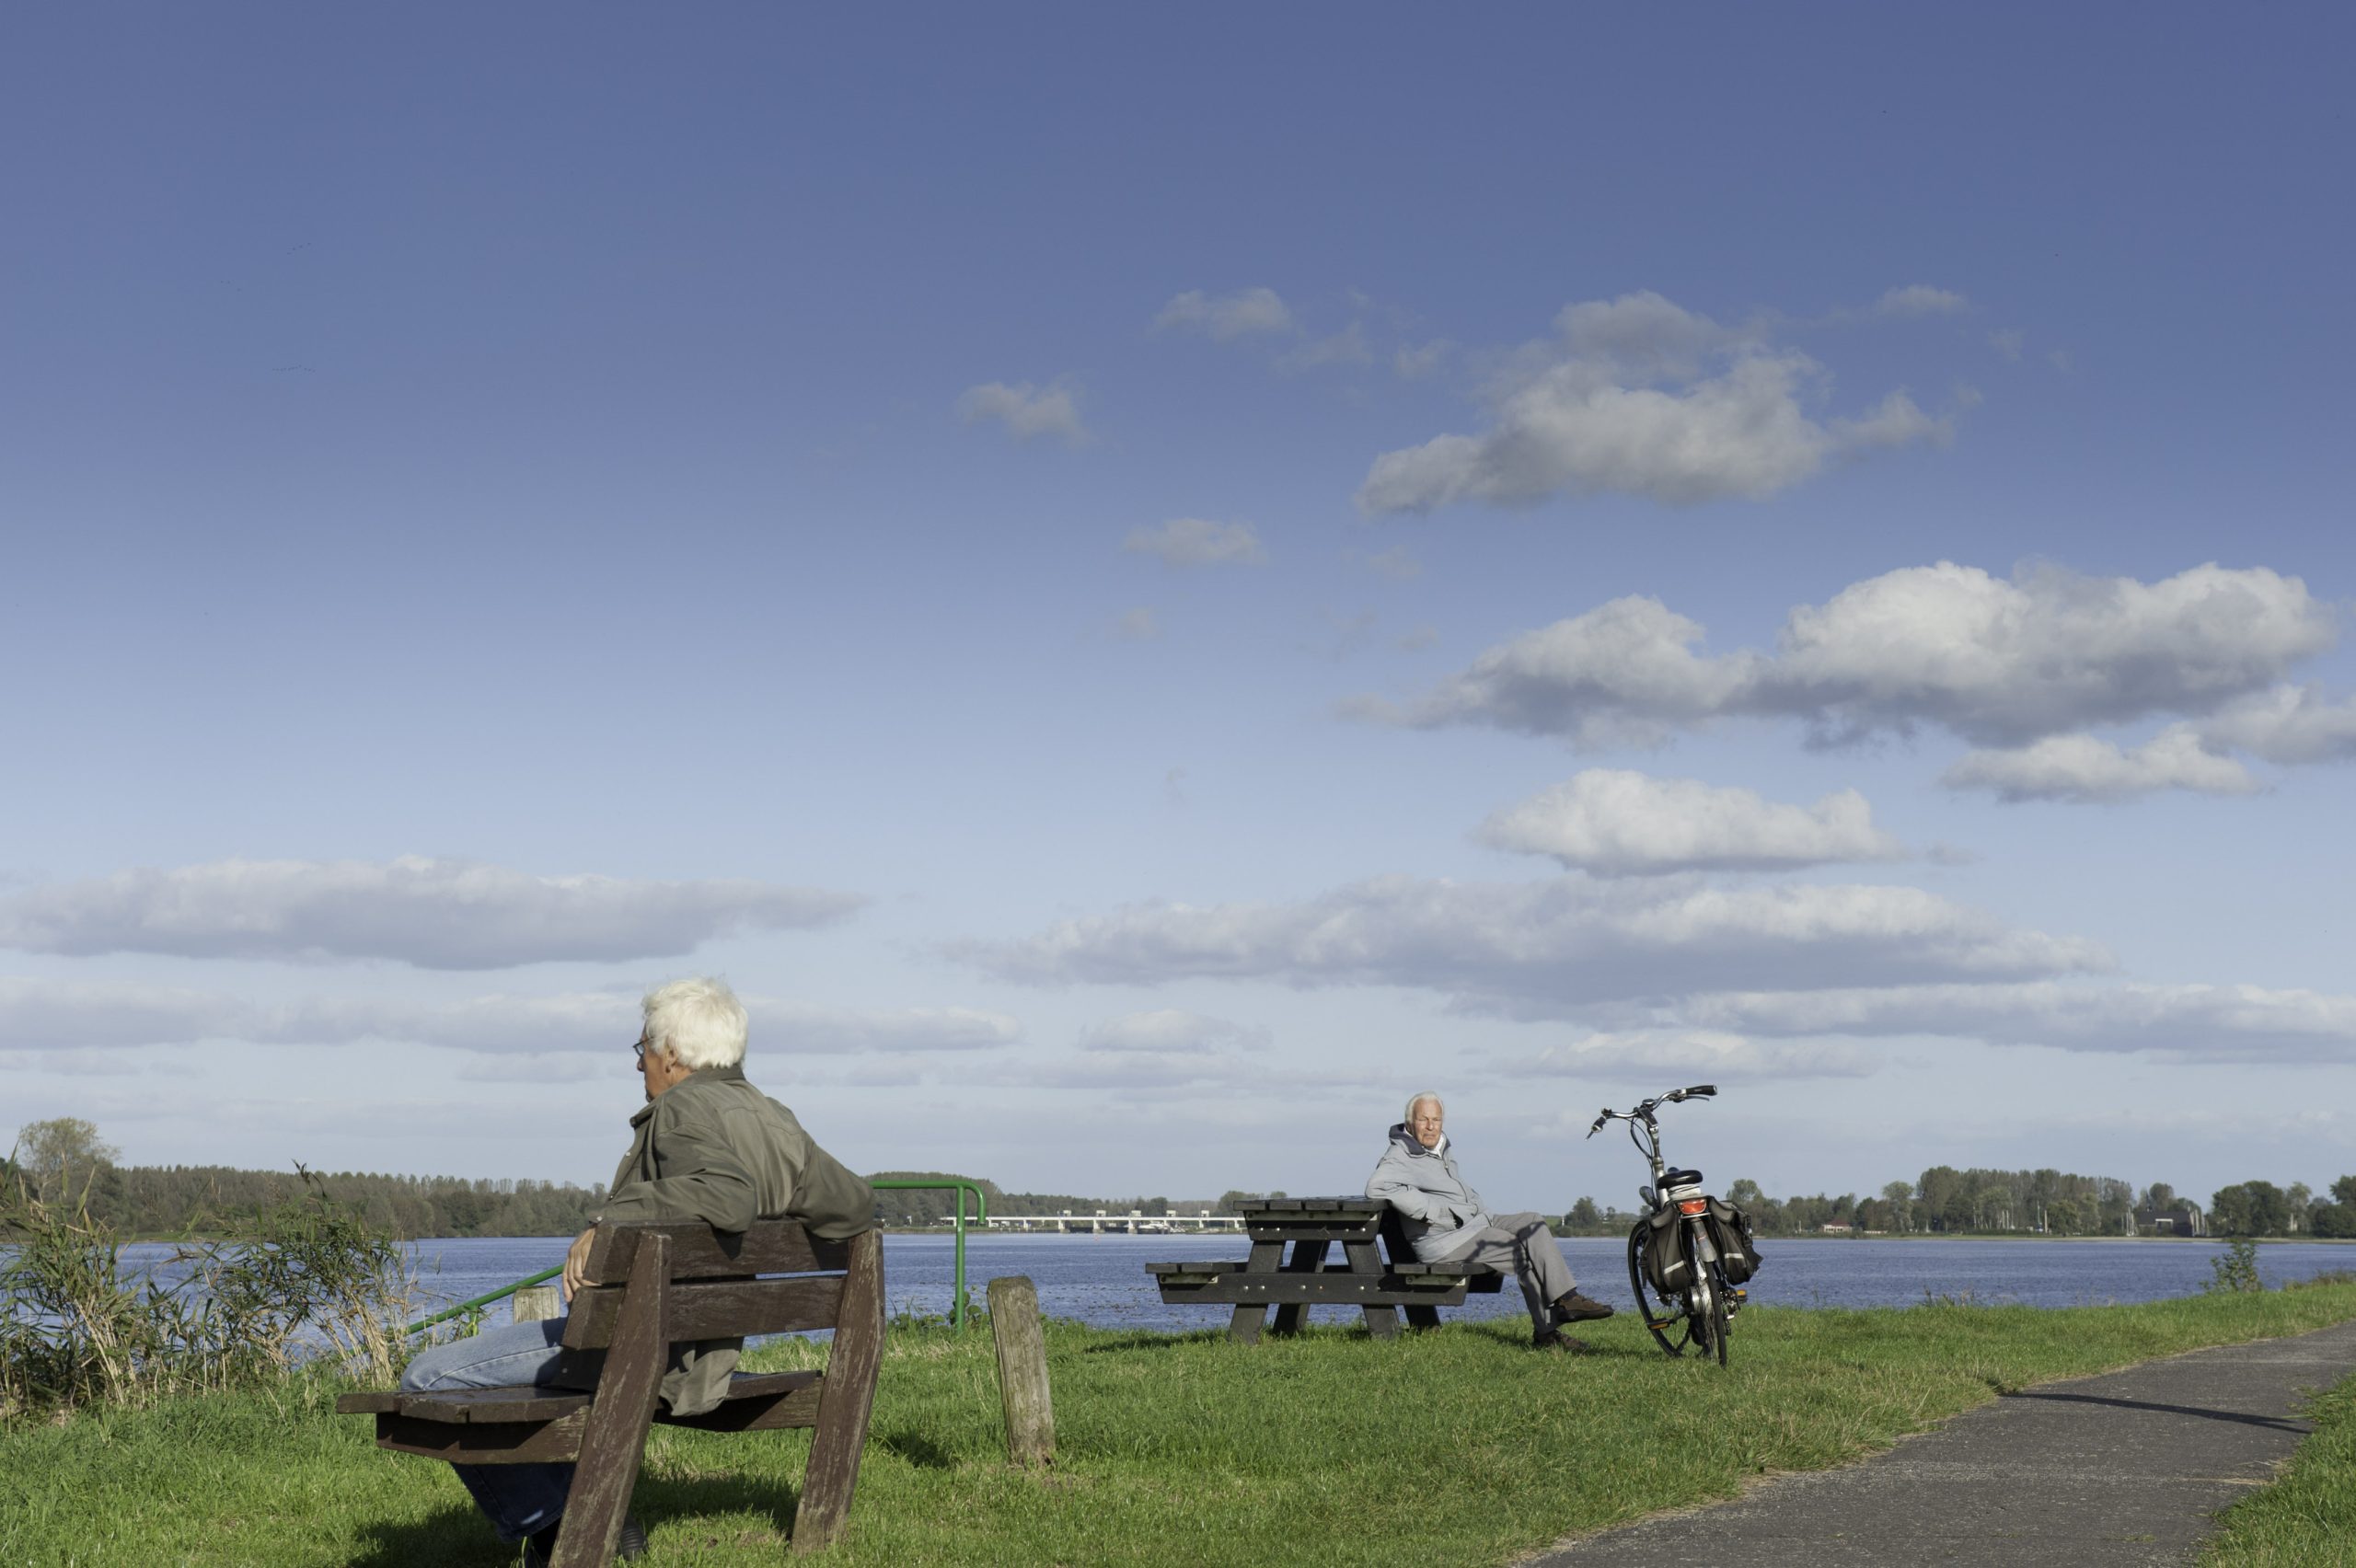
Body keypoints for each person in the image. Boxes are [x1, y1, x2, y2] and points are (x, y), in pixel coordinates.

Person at [398, 977, 875, 1567]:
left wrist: (608, 1218)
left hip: (648, 1354)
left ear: (672, 1053)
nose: (640, 1064)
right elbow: (855, 1206)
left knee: (426, 1379)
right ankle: (582, 1512)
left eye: (641, 1050)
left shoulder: (680, 1110)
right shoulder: (772, 1117)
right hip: (710, 1355)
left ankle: (559, 1526)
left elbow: (726, 1197)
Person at [1366, 1091, 1613, 1351]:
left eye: (1436, 1120)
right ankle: (1547, 1334)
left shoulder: (1438, 1148)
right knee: (1519, 1251)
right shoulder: (1401, 1154)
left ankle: (1567, 1298)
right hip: (1446, 1240)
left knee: (1533, 1222)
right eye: (1423, 1120)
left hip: (1476, 1222)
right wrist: (1433, 1211)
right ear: (1410, 1123)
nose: (1430, 1126)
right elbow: (1377, 1187)